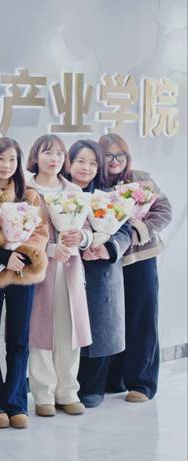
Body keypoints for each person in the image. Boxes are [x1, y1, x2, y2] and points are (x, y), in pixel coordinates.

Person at [0, 137, 49, 429]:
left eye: (11, 159)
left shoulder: (29, 196)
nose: (6, 165)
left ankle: (17, 402)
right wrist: (2, 255)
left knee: (19, 341)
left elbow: (41, 232)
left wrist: (21, 254)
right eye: (0, 159)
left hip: (22, 274)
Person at [99, 133, 172, 402]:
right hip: (108, 260)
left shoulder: (141, 179)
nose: (115, 160)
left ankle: (142, 383)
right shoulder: (94, 184)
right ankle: (114, 379)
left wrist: (139, 230)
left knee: (142, 316)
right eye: (108, 155)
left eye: (120, 155)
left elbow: (164, 211)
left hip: (141, 259)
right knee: (111, 318)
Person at [26, 134, 92, 417]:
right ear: (35, 156)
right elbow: (22, 233)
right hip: (40, 269)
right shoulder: (26, 190)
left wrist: (82, 238)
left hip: (70, 269)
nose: (53, 159)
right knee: (41, 332)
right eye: (47, 153)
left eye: (58, 154)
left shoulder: (74, 191)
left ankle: (68, 392)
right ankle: (43, 395)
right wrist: (51, 249)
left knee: (69, 330)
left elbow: (88, 229)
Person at [64, 139, 131, 408]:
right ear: (69, 162)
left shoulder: (107, 197)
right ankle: (64, 388)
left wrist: (107, 248)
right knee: (66, 328)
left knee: (99, 328)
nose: (86, 167)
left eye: (93, 163)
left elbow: (125, 230)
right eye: (80, 161)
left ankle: (93, 387)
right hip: (66, 268)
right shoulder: (58, 194)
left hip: (100, 270)